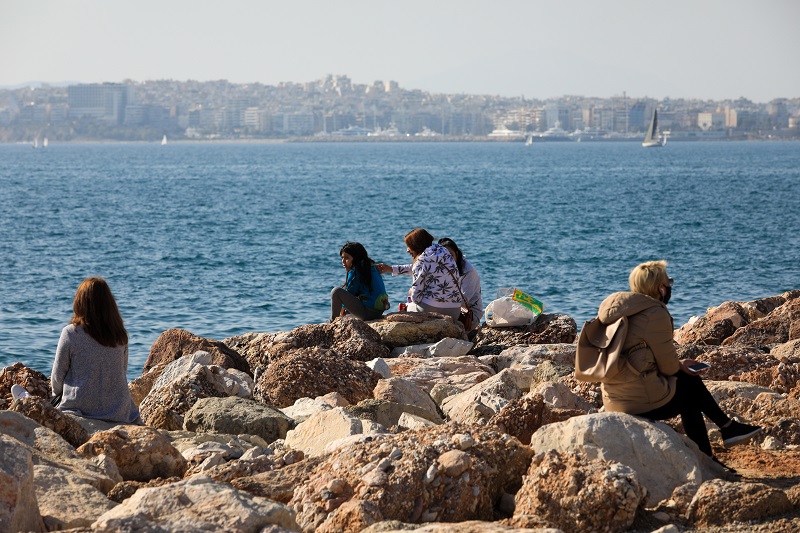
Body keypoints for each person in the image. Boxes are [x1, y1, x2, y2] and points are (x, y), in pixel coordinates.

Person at [595, 260, 762, 462]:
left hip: (613, 398)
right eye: (669, 282)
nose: (670, 286)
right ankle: (717, 442)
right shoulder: (655, 313)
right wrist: (679, 365)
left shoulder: (619, 312)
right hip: (636, 401)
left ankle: (721, 437)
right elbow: (667, 367)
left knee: (685, 384)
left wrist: (678, 364)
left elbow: (640, 357)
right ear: (660, 288)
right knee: (689, 386)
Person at [51, 277, 141, 423]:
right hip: (118, 410)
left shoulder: (70, 333)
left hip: (80, 408)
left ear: (79, 302)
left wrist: (56, 396)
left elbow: (57, 377)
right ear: (109, 304)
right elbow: (121, 371)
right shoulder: (120, 335)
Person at [376, 228, 462, 321]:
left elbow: (416, 298)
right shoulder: (443, 251)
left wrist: (411, 291)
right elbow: (423, 268)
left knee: (406, 307)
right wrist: (391, 269)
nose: (407, 250)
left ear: (416, 246)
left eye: (409, 246)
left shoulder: (421, 261)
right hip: (454, 311)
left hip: (433, 309)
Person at [330, 242, 389, 322]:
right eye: (342, 258)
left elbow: (350, 292)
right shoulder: (371, 267)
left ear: (356, 258)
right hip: (378, 312)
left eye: (347, 258)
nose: (343, 261)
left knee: (336, 291)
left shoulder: (356, 270)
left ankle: (332, 322)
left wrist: (343, 309)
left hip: (368, 313)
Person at [438, 237, 483, 330]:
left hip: (468, 314)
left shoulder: (468, 271)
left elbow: (462, 300)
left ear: (457, 254)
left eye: (450, 255)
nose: (447, 259)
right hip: (449, 308)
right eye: (444, 256)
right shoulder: (440, 267)